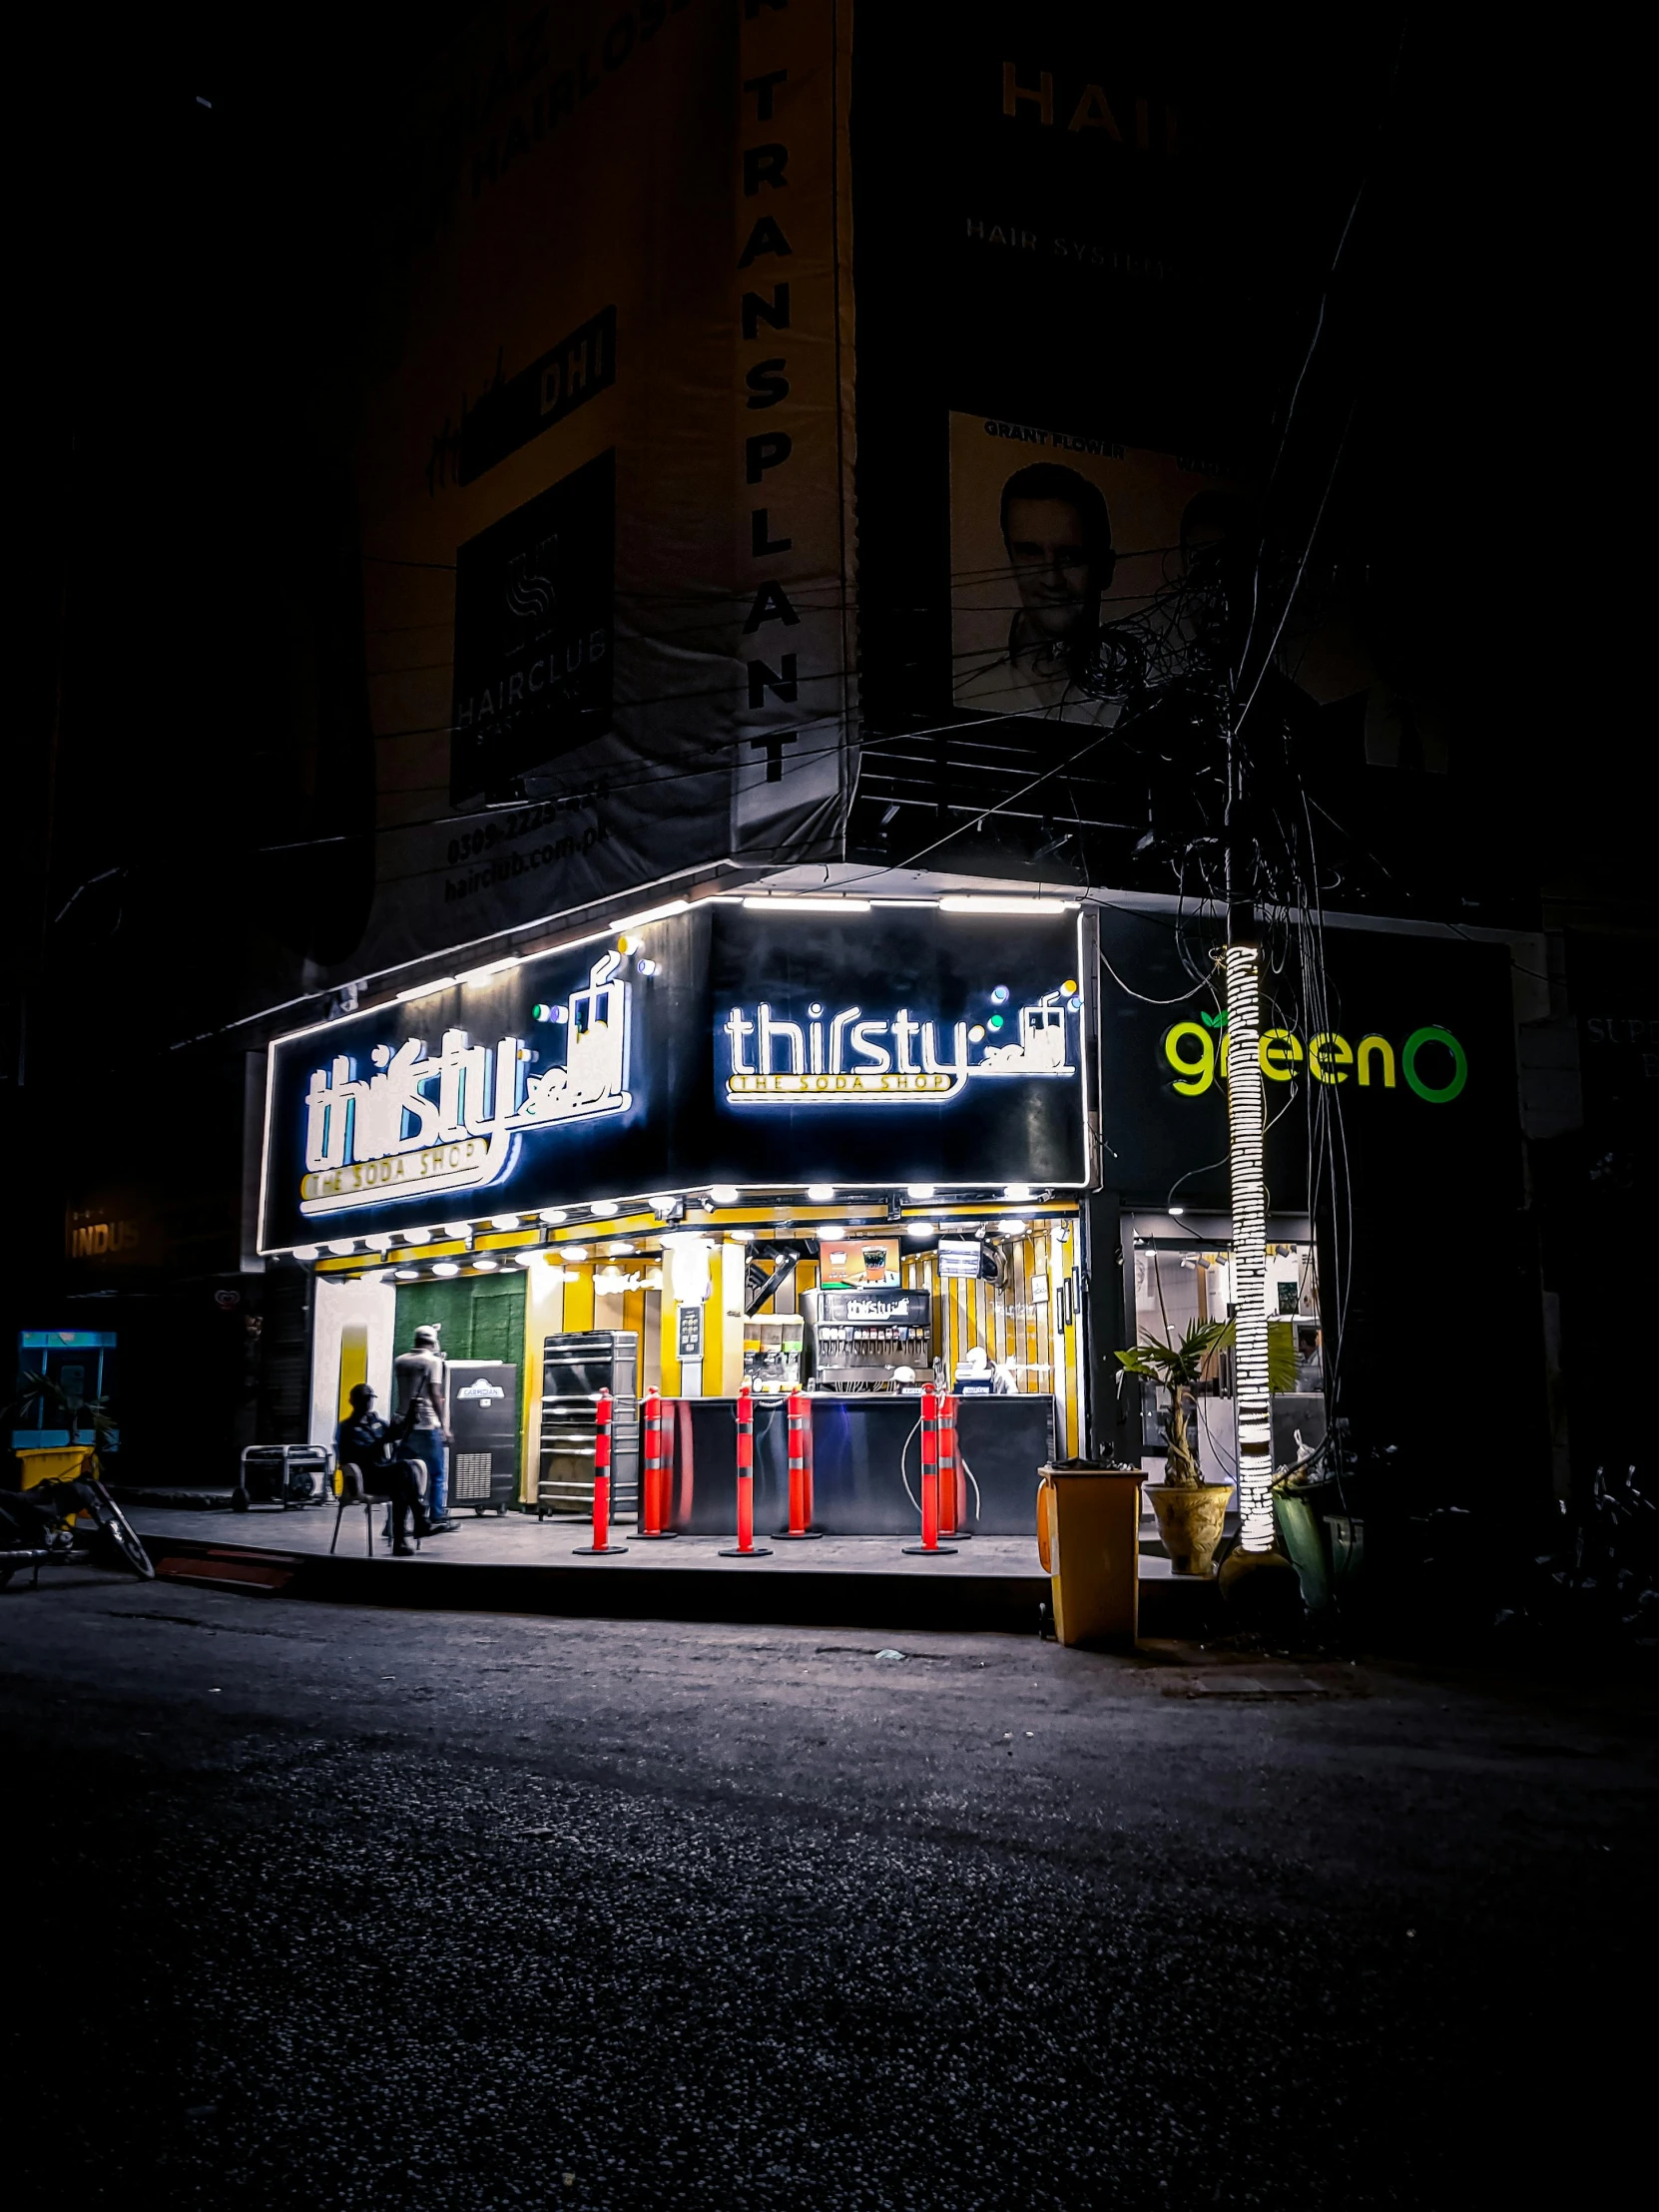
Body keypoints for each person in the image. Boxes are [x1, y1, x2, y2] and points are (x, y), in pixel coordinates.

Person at [955, 461, 1123, 723]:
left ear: (1106, 569)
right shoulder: (964, 679)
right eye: (1031, 553)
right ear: (1011, 557)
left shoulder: (1142, 684)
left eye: (1070, 556)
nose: (1051, 579)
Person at [335, 1383, 431, 1555]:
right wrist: (384, 1439)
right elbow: (361, 1454)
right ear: (353, 1401)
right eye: (363, 1399)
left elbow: (399, 1435)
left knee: (402, 1482)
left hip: (385, 1475)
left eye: (369, 1398)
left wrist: (410, 1416)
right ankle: (419, 1520)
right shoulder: (347, 1428)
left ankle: (404, 1538)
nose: (367, 1402)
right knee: (403, 1471)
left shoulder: (378, 1423)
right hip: (364, 1479)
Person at [393, 1323, 456, 1532]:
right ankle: (437, 1516)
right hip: (427, 1426)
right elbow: (435, 1395)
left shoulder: (400, 1361)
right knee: (436, 1474)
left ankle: (395, 1523)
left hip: (404, 1426)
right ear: (432, 1341)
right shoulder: (433, 1362)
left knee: (403, 1476)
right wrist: (445, 1427)